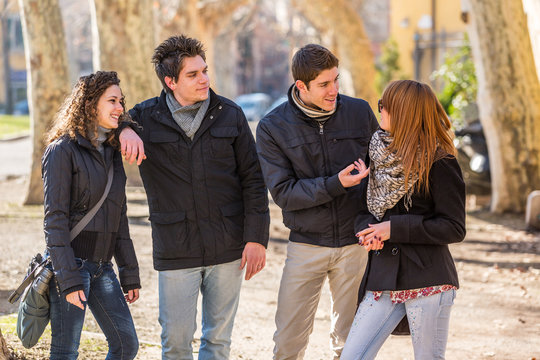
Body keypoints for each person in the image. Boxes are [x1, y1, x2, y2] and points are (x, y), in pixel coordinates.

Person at [118, 35, 270, 360]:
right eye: (193, 74)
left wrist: (256, 238)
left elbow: (253, 181)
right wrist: (124, 129)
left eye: (204, 71)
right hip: (176, 247)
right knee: (175, 342)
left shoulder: (230, 114)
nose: (204, 79)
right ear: (170, 81)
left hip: (228, 247)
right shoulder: (143, 118)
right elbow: (106, 118)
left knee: (217, 343)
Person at [256, 44, 379, 359]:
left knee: (352, 343)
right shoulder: (272, 127)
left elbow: (383, 168)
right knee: (288, 341)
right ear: (302, 86)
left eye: (336, 80)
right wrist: (336, 184)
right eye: (324, 84)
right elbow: (284, 193)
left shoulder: (359, 112)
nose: (334, 90)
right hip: (306, 246)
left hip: (356, 244)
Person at [340, 80, 466, 360]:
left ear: (405, 112)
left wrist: (393, 229)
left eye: (384, 106)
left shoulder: (440, 161)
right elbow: (364, 208)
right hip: (382, 277)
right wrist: (367, 231)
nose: (380, 111)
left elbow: (454, 227)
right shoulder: (376, 152)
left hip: (428, 278)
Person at [42, 71, 140, 360]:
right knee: (65, 352)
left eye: (121, 101)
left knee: (126, 345)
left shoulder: (112, 152)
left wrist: (129, 272)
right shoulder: (62, 150)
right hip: (72, 265)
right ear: (89, 104)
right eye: (112, 101)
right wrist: (69, 278)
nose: (120, 108)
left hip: (103, 268)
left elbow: (119, 216)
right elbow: (54, 220)